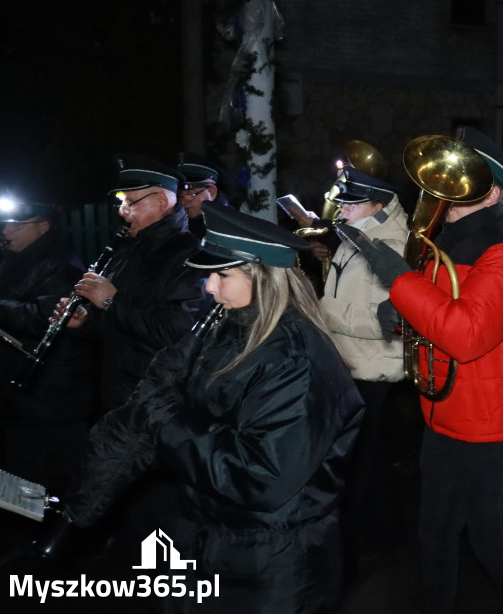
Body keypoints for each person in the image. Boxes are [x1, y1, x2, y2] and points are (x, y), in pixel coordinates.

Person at [56, 201, 365, 613]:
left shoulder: (295, 359)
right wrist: (81, 506)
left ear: (263, 276)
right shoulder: (237, 328)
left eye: (222, 274)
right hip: (218, 540)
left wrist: (166, 420)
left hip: (272, 564)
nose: (210, 288)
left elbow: (261, 476)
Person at [354, 126, 503, 614]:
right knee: (434, 536)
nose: (446, 190)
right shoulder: (455, 240)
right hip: (447, 413)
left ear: (495, 192)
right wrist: (401, 312)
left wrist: (398, 279)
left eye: (463, 180)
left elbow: (465, 334)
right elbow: (438, 310)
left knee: (491, 542)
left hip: (494, 425)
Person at [61, 155, 206, 414]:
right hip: (116, 398)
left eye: (130, 202)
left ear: (162, 202)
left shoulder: (190, 255)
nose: (121, 211)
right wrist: (84, 320)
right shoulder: (127, 249)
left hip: (157, 406)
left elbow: (179, 331)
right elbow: (116, 323)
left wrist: (111, 301)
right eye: (121, 202)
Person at [318, 166, 410, 568]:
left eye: (351, 204)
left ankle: (361, 545)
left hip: (373, 367)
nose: (342, 210)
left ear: (378, 204)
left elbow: (389, 321)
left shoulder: (390, 243)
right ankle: (386, 533)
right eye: (342, 203)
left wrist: (323, 312)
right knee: (368, 457)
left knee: (359, 460)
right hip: (350, 361)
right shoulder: (357, 233)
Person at [0, 199, 94, 494]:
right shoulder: (13, 260)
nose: (6, 231)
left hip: (51, 396)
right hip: (21, 394)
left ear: (43, 226)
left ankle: (54, 534)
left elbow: (47, 317)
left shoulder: (63, 267)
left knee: (54, 477)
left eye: (15, 225)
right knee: (19, 473)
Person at [177, 152, 230, 238]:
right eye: (180, 195)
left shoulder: (228, 228)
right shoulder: (180, 225)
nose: (183, 202)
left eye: (191, 193)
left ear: (212, 192)